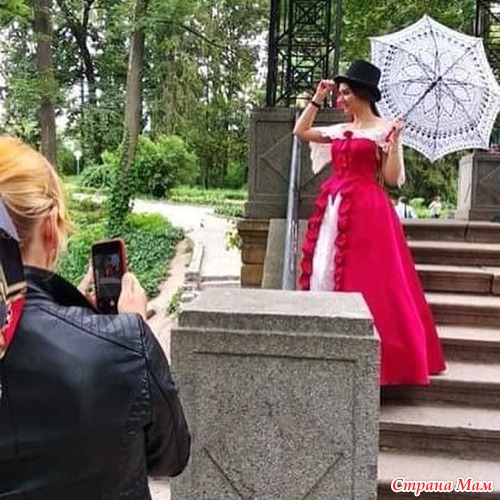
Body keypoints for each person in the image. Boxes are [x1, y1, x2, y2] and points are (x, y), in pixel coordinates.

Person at [0, 136, 190, 499]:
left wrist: (61, 311)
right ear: (49, 228)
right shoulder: (123, 344)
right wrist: (133, 334)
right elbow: (170, 456)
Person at [293, 60, 446, 386]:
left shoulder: (385, 129)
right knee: (324, 271)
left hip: (369, 211)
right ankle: (328, 348)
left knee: (373, 279)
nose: (341, 99)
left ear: (363, 94)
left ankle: (382, 362)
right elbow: (300, 131)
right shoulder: (339, 129)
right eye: (339, 93)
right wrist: (317, 98)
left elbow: (390, 178)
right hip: (334, 208)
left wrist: (395, 143)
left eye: (346, 93)